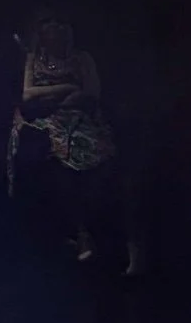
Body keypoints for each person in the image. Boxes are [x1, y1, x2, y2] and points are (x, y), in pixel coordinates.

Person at [7, 15, 117, 262]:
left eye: (60, 23)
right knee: (44, 154)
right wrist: (67, 88)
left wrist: (63, 99)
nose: (55, 28)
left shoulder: (82, 58)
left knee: (92, 158)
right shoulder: (33, 59)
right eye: (49, 23)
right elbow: (27, 95)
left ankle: (85, 231)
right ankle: (58, 233)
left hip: (79, 118)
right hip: (45, 119)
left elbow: (91, 93)